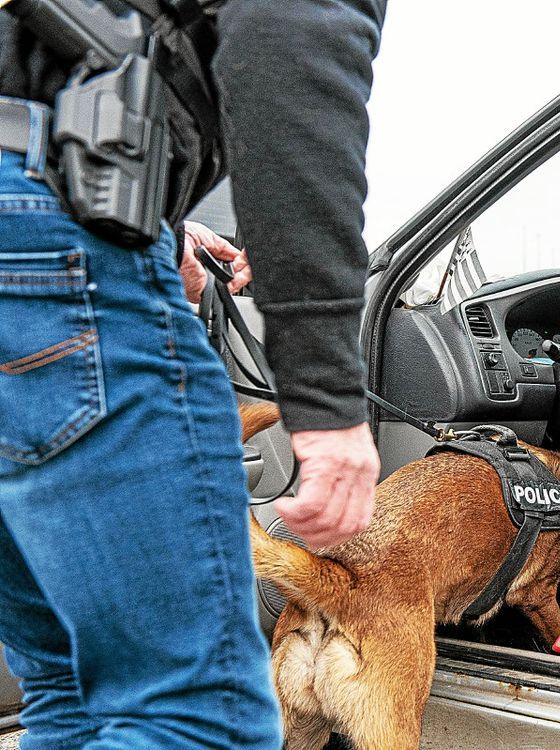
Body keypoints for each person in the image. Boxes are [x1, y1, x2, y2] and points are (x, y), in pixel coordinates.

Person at [0, 0, 386, 746]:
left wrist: (161, 211)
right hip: (55, 242)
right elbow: (292, 41)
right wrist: (328, 400)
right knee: (201, 716)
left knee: (72, 688)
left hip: (38, 217)